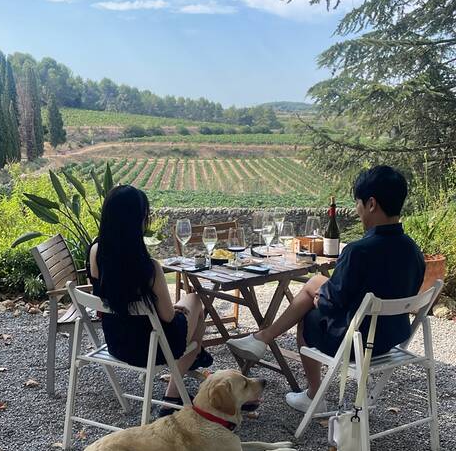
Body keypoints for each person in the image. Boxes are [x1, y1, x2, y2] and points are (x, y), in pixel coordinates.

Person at [227, 165, 425, 412]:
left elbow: (331, 304)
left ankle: (311, 392)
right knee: (316, 284)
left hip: (358, 343)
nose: (357, 211)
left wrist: (320, 297)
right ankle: (263, 338)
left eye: (358, 204)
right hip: (393, 338)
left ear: (371, 204)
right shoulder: (413, 250)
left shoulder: (358, 251)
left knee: (309, 314)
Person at [87, 185, 209, 415]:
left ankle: (194, 355)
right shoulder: (149, 268)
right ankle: (173, 395)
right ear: (139, 222)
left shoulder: (95, 251)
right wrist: (179, 309)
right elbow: (168, 317)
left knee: (191, 321)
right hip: (151, 348)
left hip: (116, 342)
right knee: (194, 302)